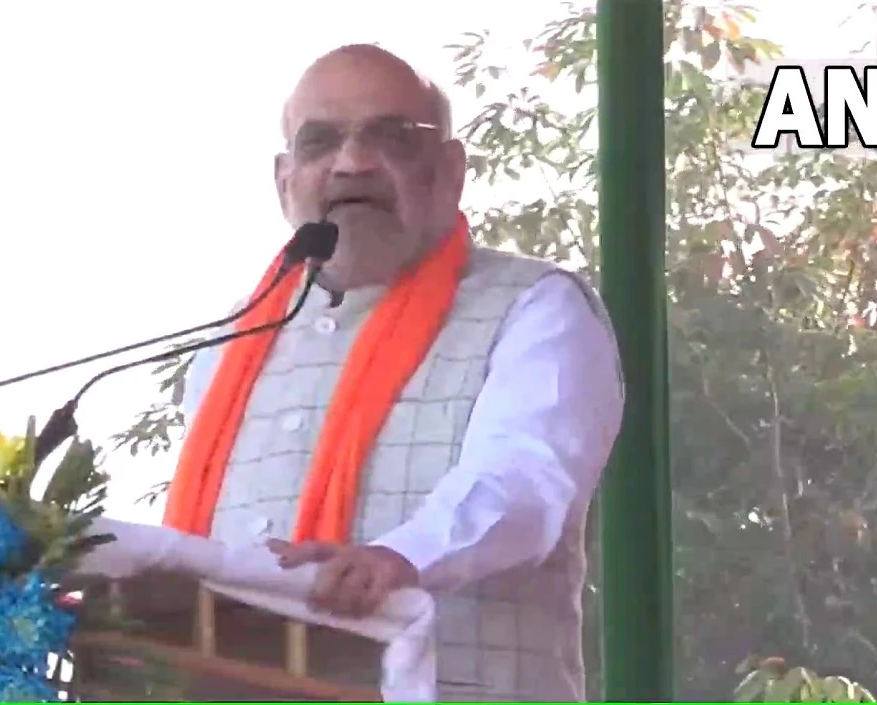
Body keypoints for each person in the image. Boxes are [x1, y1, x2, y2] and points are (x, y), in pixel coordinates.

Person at [161, 43, 624, 702]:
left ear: (451, 170)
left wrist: (403, 556)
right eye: (320, 142)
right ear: (284, 180)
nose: (352, 163)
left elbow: (526, 479)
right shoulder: (229, 344)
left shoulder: (534, 307)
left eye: (393, 137)